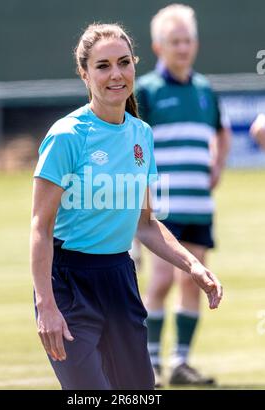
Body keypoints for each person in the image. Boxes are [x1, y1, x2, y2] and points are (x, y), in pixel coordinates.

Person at [30, 23, 223, 390]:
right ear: (84, 73)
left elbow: (146, 224)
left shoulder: (142, 135)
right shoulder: (66, 136)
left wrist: (193, 265)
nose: (116, 74)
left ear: (135, 65)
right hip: (69, 282)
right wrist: (46, 306)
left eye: (123, 62)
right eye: (103, 66)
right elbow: (40, 227)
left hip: (120, 277)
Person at [136, 4, 230, 387]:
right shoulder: (147, 89)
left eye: (187, 40)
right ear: (159, 47)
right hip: (164, 203)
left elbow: (222, 133)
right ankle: (151, 365)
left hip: (199, 204)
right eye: (174, 42)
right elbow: (134, 142)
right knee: (160, 280)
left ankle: (180, 363)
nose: (182, 48)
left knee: (195, 279)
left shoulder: (205, 89)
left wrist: (218, 165)